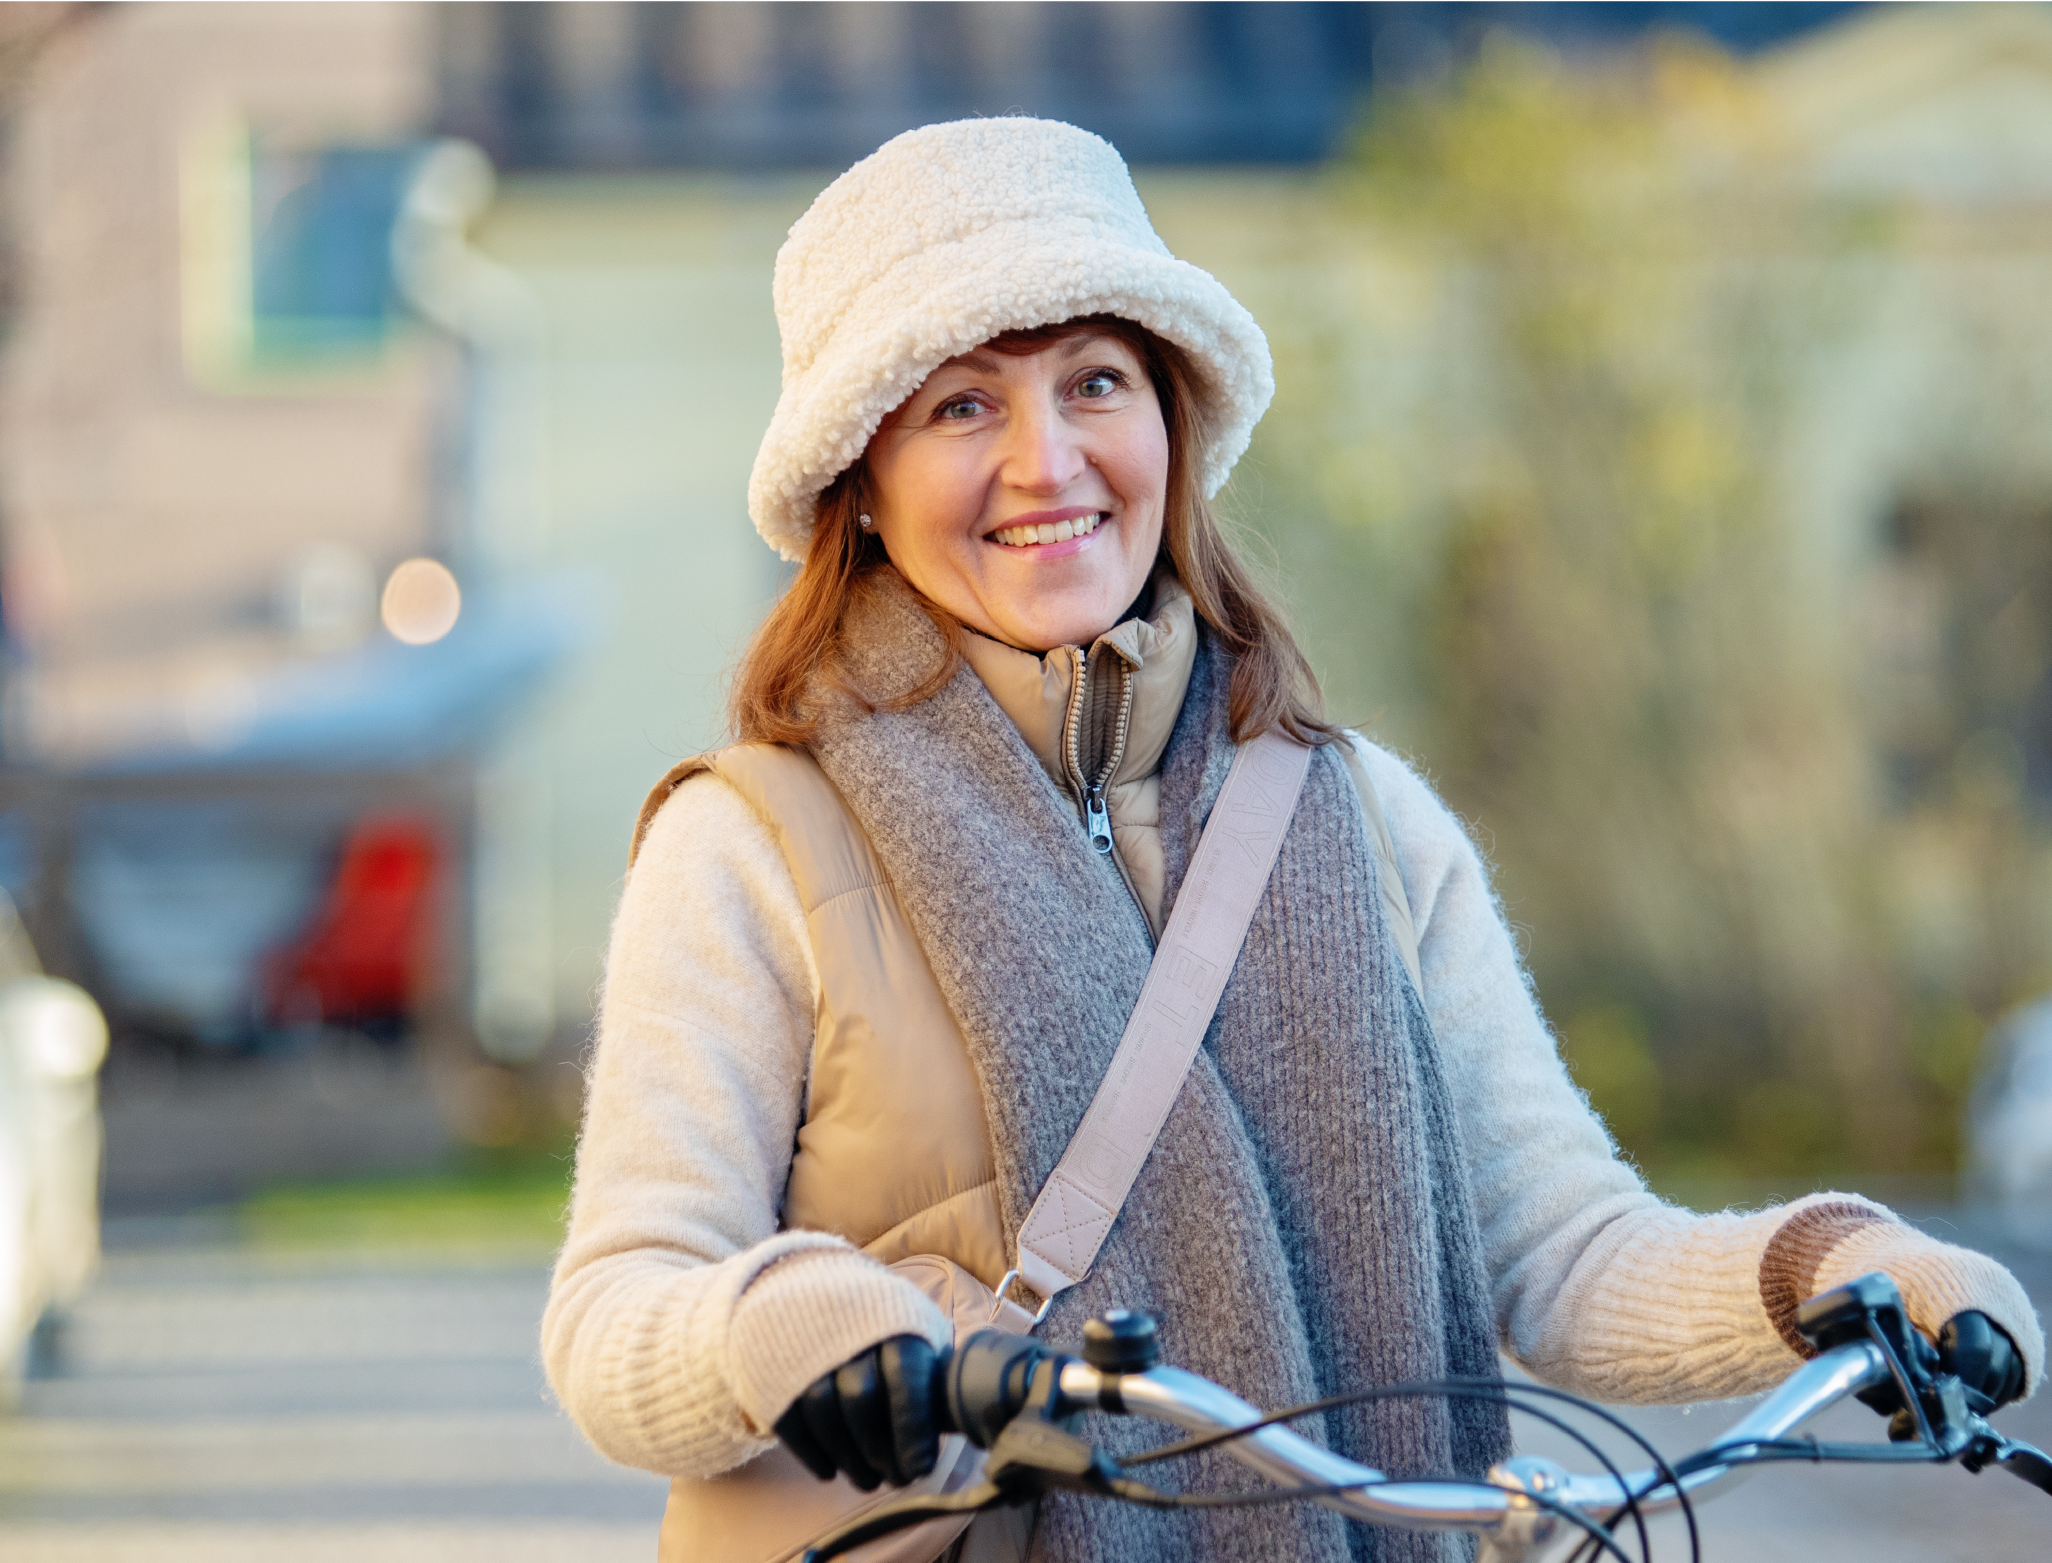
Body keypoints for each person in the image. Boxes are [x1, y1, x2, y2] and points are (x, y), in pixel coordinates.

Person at [543, 118, 2041, 1562]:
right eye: (962, 405)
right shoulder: (751, 844)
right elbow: (618, 1308)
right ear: (860, 483)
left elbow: (1564, 1251)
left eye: (1097, 381)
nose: (1047, 461)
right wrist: (778, 1320)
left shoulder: (1364, 820)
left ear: (1172, 422)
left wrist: (1843, 1268)